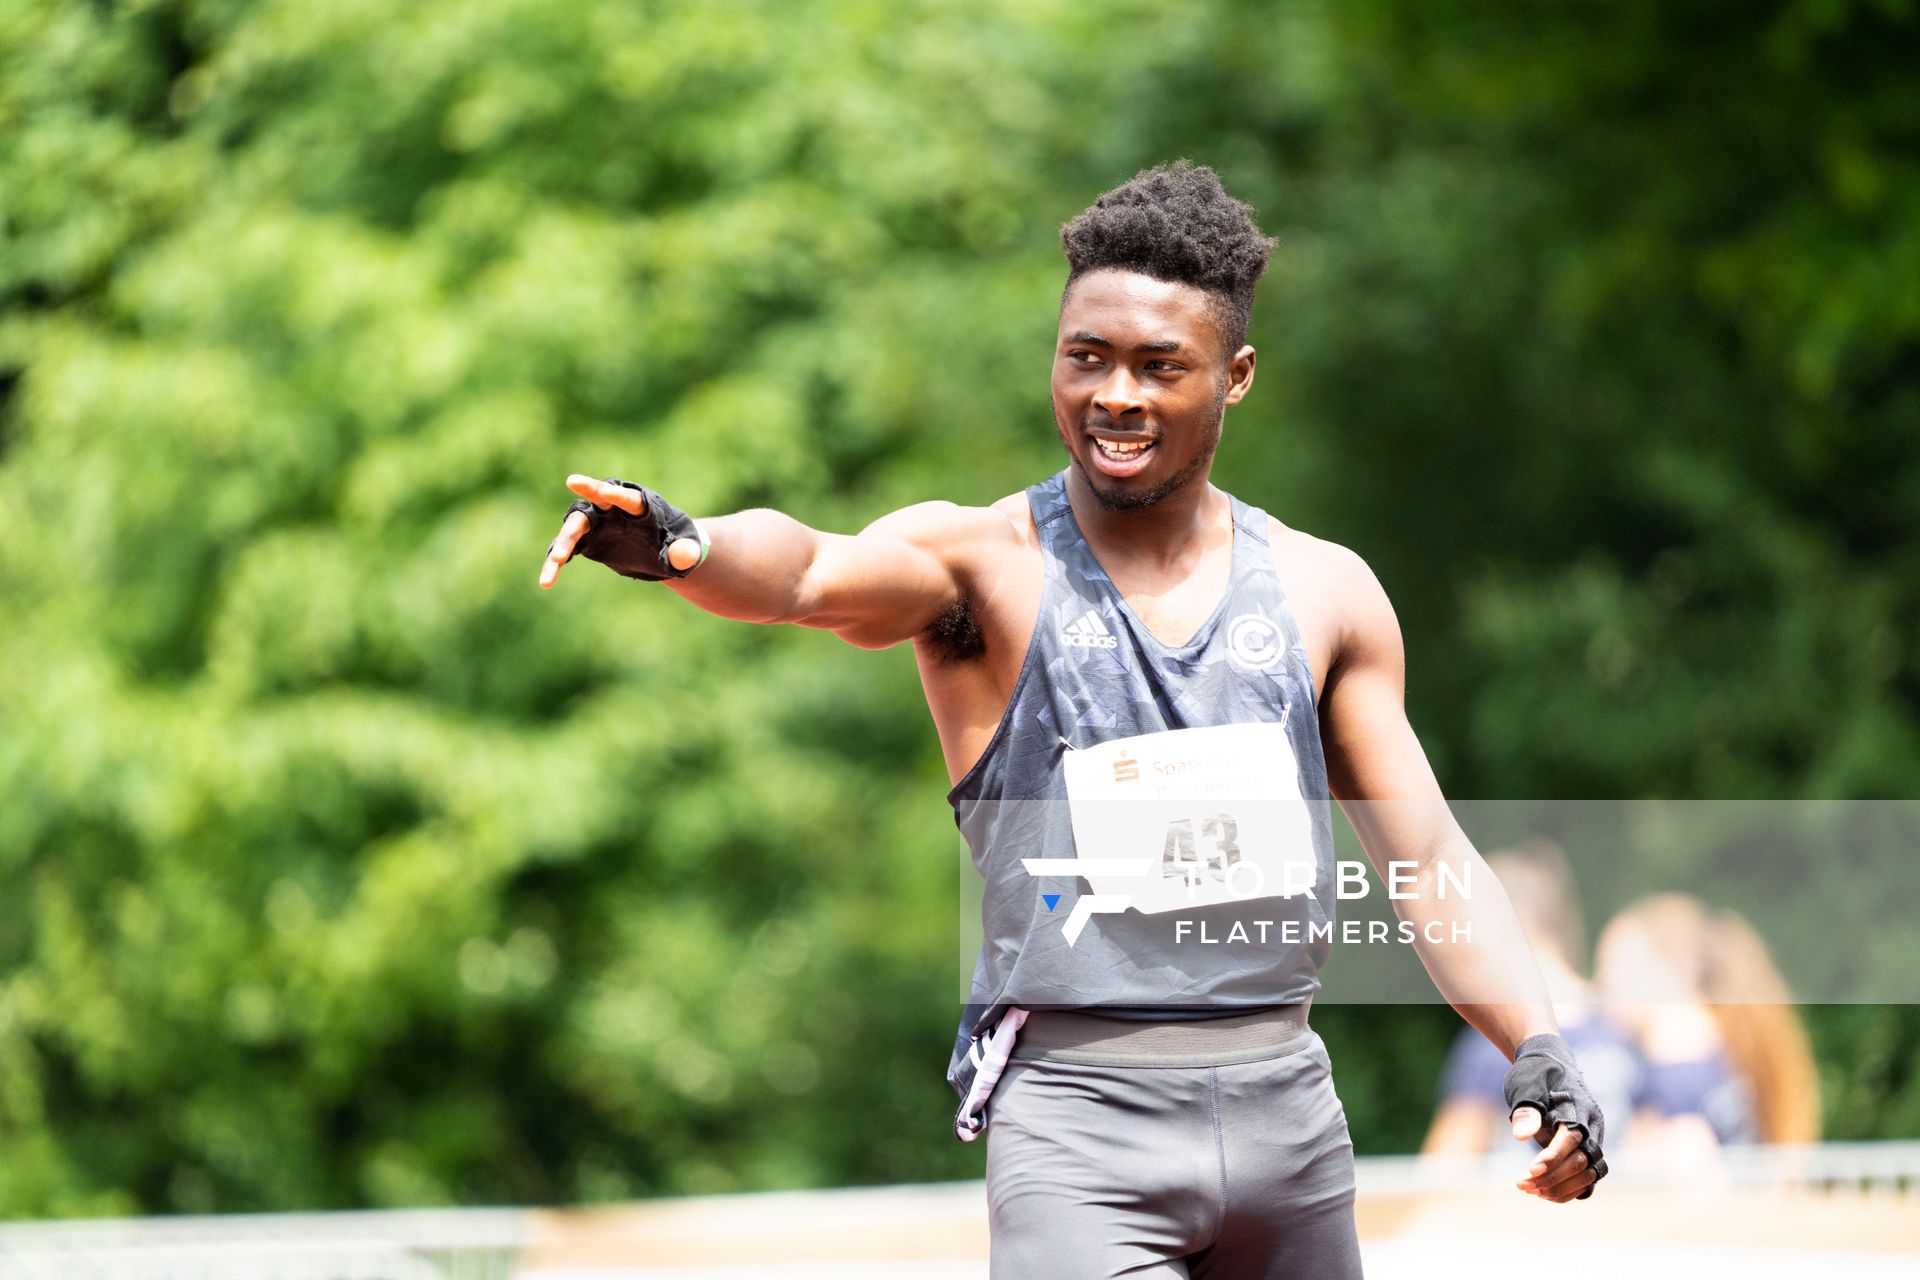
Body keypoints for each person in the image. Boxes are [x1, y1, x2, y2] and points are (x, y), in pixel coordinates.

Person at [538, 161, 1607, 1277]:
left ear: (1235, 376)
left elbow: (1426, 854)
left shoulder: (1323, 590)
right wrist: (685, 545)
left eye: (1160, 365)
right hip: (1082, 1128)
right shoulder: (982, 566)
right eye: (1086, 356)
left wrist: (1535, 1042)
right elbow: (808, 569)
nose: (1117, 395)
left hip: (1289, 1124)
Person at [1421, 840, 1644, 1159]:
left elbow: (1442, 1170)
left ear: (1509, 922)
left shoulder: (1495, 1042)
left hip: (1529, 1204)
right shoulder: (1626, 1023)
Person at [1595, 893, 1819, 1158]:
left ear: (1667, 968)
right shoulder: (1725, 1050)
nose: (1600, 987)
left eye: (1613, 970)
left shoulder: (1676, 1070)